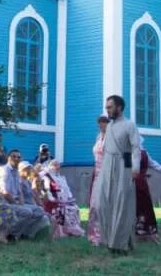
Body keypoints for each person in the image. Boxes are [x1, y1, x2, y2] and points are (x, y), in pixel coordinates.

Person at [93, 95, 141, 255]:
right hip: (107, 164)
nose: (107, 110)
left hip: (124, 162)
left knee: (122, 202)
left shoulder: (129, 125)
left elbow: (135, 148)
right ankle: (108, 238)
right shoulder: (110, 126)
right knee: (101, 202)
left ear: (119, 107)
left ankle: (119, 243)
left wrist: (134, 168)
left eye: (110, 107)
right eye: (106, 107)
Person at [0, 150, 49, 239]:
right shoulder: (4, 170)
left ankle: (25, 233)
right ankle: (11, 234)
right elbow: (4, 192)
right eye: (14, 156)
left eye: (19, 157)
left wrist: (22, 204)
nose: (16, 159)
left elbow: (19, 192)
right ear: (8, 158)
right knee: (27, 212)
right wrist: (18, 205)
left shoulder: (16, 172)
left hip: (16, 202)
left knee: (40, 211)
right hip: (4, 202)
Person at [135, 144, 161, 243]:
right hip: (142, 184)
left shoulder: (129, 152)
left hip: (132, 184)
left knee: (135, 208)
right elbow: (154, 164)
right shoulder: (144, 153)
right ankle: (148, 233)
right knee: (146, 208)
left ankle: (138, 233)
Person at [39, 159, 84, 238]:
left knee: (74, 207)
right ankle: (62, 231)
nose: (57, 167)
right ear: (49, 166)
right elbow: (47, 191)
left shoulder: (60, 177)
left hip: (63, 200)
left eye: (58, 165)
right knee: (63, 209)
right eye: (55, 165)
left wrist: (69, 198)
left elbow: (67, 189)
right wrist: (54, 200)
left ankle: (73, 229)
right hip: (52, 202)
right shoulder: (46, 177)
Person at [87, 115, 109, 246]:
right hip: (97, 173)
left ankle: (106, 235)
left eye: (104, 123)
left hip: (107, 174)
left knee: (104, 205)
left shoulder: (112, 138)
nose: (101, 126)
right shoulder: (98, 137)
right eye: (100, 123)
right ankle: (94, 236)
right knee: (94, 205)